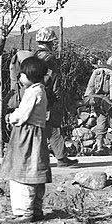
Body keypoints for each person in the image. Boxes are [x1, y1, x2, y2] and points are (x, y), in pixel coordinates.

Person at [0, 55, 52, 224]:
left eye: (22, 74)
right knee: (34, 170)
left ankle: (25, 212)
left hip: (26, 135)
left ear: (30, 75)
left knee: (23, 172)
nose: (20, 77)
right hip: (36, 135)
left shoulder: (33, 92)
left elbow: (22, 115)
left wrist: (10, 118)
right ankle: (36, 209)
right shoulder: (41, 90)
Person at [34, 27, 78, 166]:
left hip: (35, 96)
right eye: (52, 42)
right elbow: (53, 80)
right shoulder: (49, 58)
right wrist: (56, 97)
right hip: (48, 97)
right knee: (53, 127)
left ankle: (37, 159)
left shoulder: (34, 56)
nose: (53, 45)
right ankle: (61, 158)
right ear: (48, 43)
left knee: (40, 128)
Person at [83, 55, 112, 156]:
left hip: (98, 100)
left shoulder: (97, 72)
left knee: (100, 122)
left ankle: (99, 147)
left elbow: (90, 87)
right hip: (111, 102)